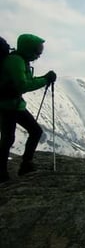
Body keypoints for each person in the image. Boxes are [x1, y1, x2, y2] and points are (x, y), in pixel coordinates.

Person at [0, 34, 57, 183]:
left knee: (27, 133)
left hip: (14, 105)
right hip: (8, 106)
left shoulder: (20, 60)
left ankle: (20, 166)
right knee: (9, 138)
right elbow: (23, 85)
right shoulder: (16, 62)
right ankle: (12, 169)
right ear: (28, 49)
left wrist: (44, 78)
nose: (38, 56)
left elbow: (26, 82)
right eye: (37, 52)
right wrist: (45, 79)